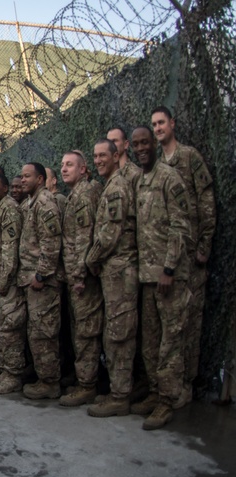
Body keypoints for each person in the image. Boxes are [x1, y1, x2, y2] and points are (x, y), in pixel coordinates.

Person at [151, 106, 215, 406]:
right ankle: (167, 386)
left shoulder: (189, 157)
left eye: (162, 122)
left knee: (189, 322)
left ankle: (186, 385)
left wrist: (204, 244)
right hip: (165, 256)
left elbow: (205, 200)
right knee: (168, 326)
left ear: (173, 124)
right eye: (154, 124)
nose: (158, 128)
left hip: (189, 254)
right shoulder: (155, 165)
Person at [130, 125, 191, 430]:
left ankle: (168, 402)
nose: (141, 148)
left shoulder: (170, 177)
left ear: (154, 143)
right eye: (136, 144)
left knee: (170, 343)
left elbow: (181, 226)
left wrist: (169, 269)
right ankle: (155, 393)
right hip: (147, 277)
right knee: (150, 343)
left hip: (169, 278)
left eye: (145, 142)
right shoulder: (140, 182)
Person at [85, 138, 140, 418]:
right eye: (95, 156)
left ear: (117, 155)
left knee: (120, 334)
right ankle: (118, 391)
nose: (98, 161)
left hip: (120, 269)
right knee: (115, 332)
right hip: (113, 270)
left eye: (103, 155)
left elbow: (110, 233)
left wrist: (91, 259)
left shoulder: (117, 188)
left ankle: (120, 396)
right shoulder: (111, 186)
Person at [57, 151, 103, 407]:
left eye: (70, 165)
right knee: (79, 330)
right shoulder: (76, 195)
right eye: (63, 165)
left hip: (82, 279)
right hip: (77, 276)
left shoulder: (84, 196)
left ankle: (88, 385)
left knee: (86, 332)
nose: (64, 169)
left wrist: (79, 275)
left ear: (84, 170)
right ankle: (84, 380)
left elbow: (85, 238)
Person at [17, 162, 63, 401]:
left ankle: (50, 382)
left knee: (44, 332)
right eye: (22, 176)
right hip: (32, 279)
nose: (23, 180)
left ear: (41, 179)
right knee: (36, 331)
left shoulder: (45, 202)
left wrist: (41, 274)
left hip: (42, 282)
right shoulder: (32, 202)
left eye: (28, 176)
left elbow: (52, 241)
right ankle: (43, 377)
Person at [0, 174, 27, 394]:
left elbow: (10, 249)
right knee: (1, 328)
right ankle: (6, 370)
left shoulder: (9, 209)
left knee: (10, 328)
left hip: (5, 283)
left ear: (6, 187)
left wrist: (4, 279)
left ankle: (14, 374)